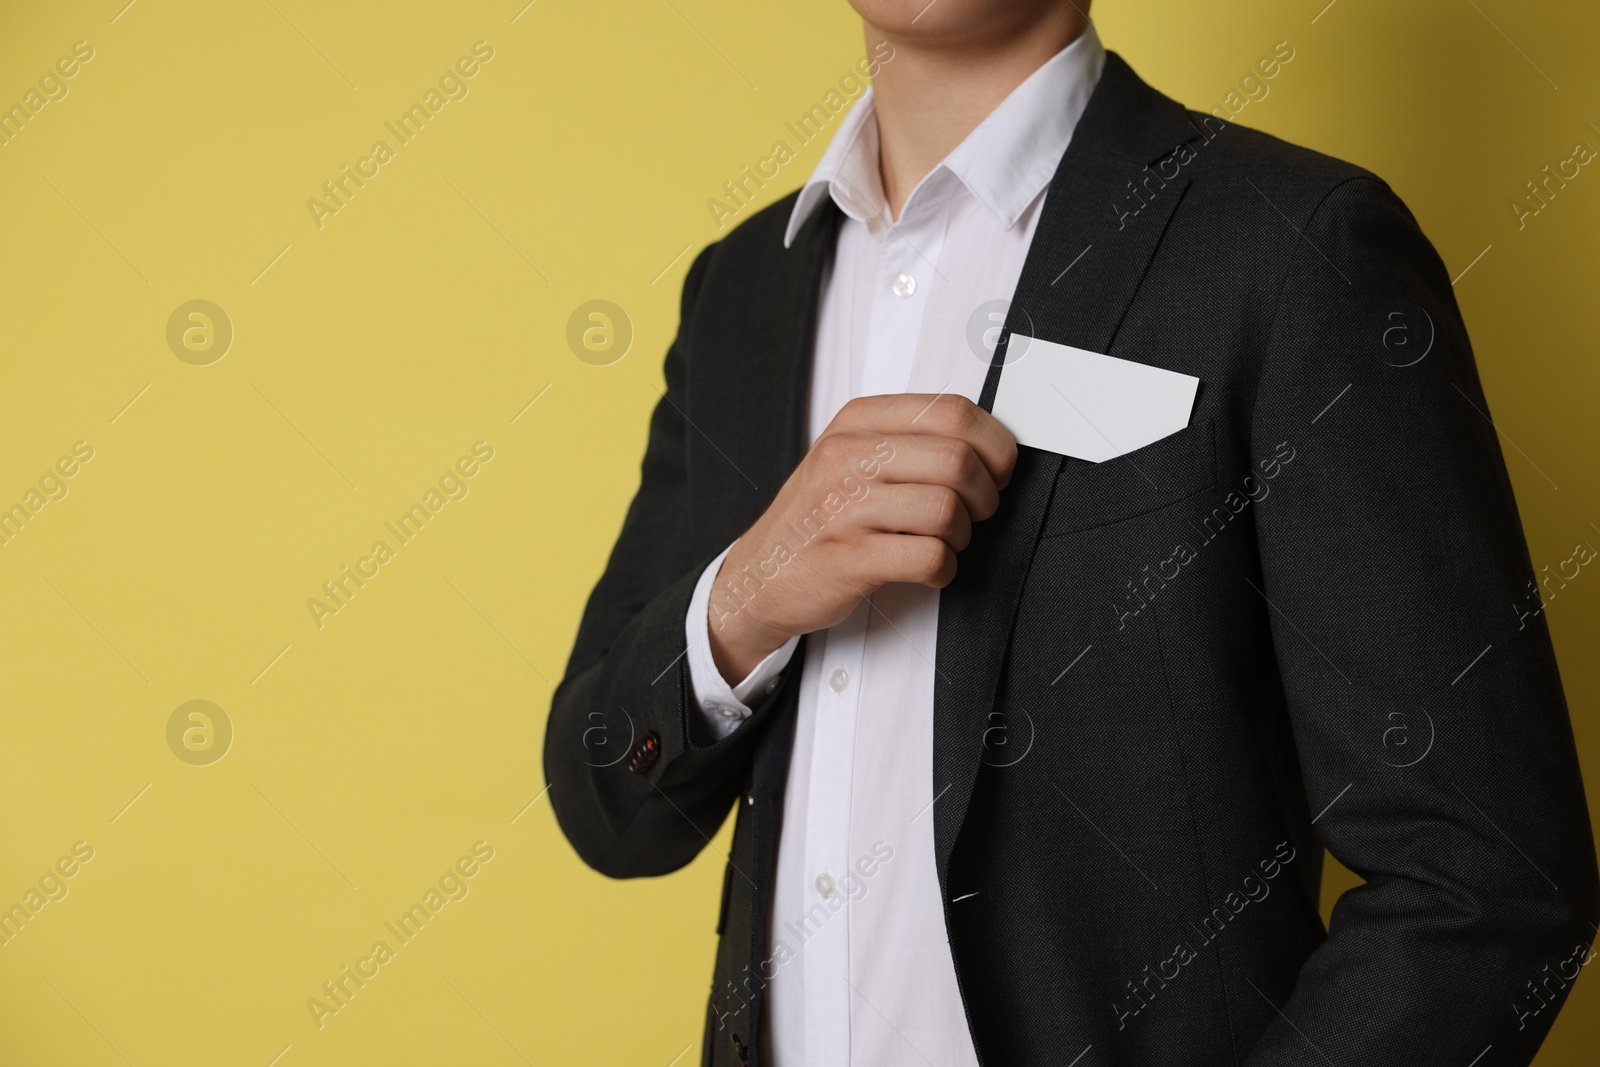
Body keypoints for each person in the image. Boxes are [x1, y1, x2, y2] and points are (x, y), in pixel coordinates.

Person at [544, 2, 1598, 1064]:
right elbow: (607, 805)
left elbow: (1487, 878)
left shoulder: (1292, 244)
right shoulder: (738, 290)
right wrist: (744, 596)